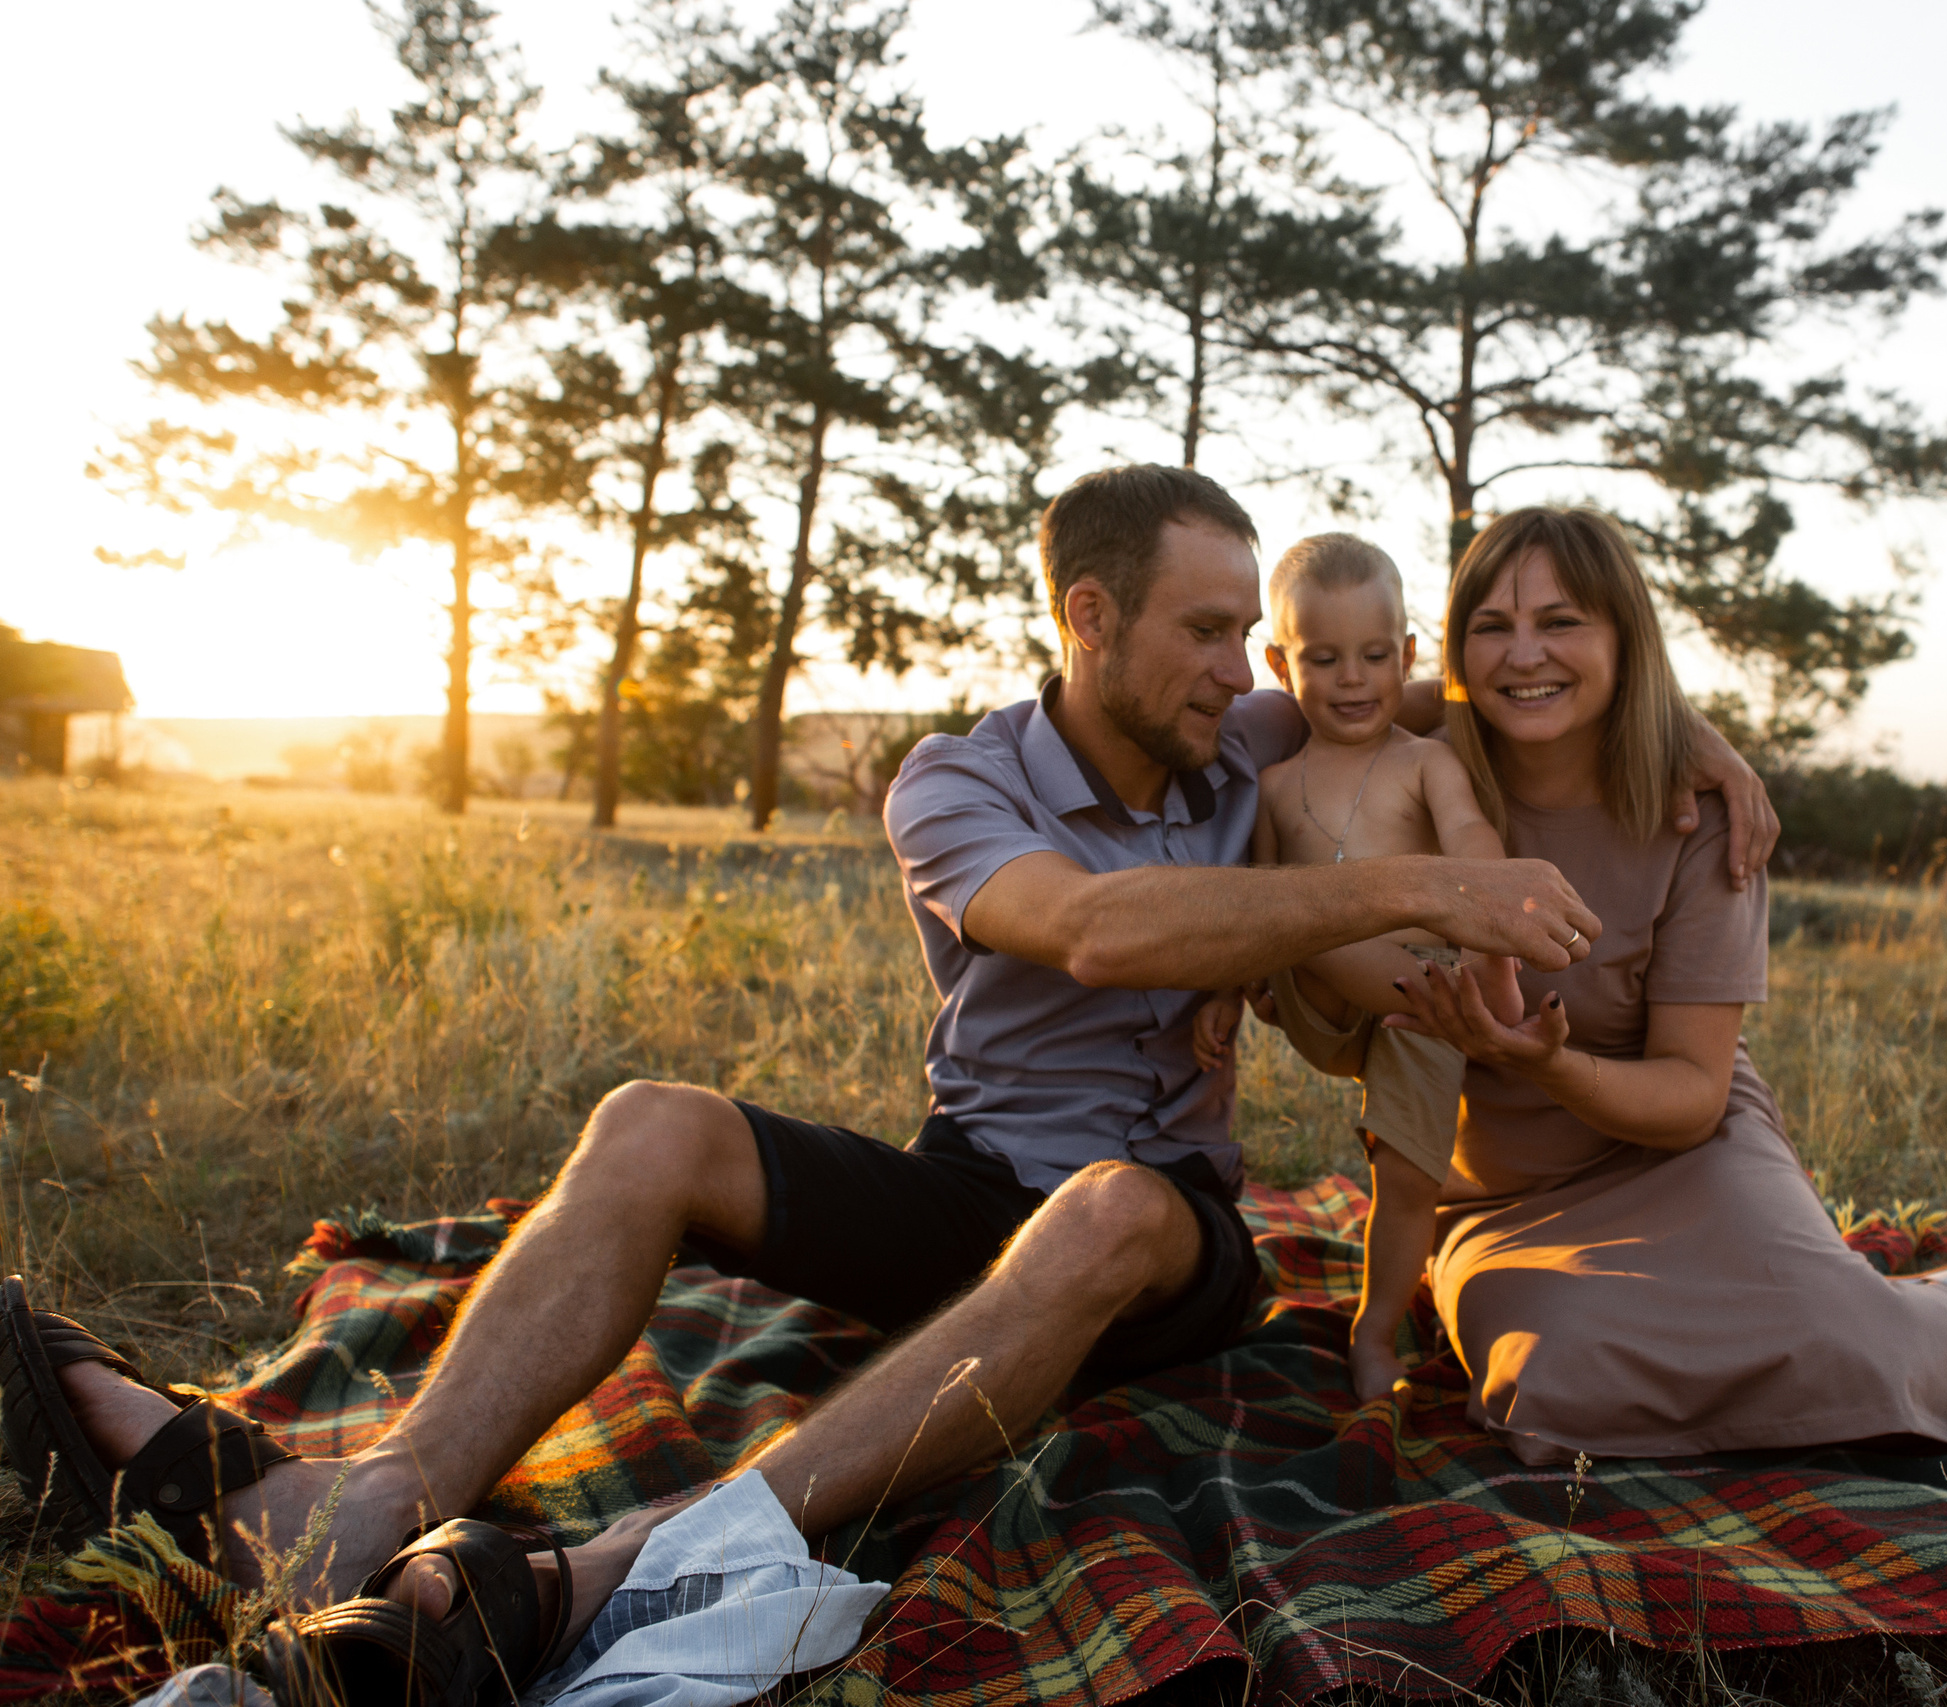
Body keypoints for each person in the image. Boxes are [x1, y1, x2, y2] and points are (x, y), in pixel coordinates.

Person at [0, 468, 1779, 1691]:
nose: (1247, 674)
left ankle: (625, 1572)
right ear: (1087, 617)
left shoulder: (1243, 730)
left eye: (1256, 639)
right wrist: (1409, 883)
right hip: (974, 1180)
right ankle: (372, 1505)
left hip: (1167, 1231)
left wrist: (1695, 733)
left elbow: (1491, 698)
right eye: (1207, 633)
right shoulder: (954, 781)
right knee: (653, 1121)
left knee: (1110, 1206)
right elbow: (1083, 931)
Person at [1383, 505, 1947, 1465]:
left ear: (1627, 637)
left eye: (1562, 620)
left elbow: (1691, 1096)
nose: (1523, 652)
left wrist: (1546, 1064)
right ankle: (1893, 1297)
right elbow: (1321, 701)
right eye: (1490, 626)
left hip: (1682, 1150)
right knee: (1557, 1390)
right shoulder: (1420, 777)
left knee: (1856, 1355)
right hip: (1504, 1196)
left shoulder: (1700, 816)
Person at [1192, 533, 1507, 1403]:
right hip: (1315, 1001)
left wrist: (1493, 905)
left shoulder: (1424, 760)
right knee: (1290, 911)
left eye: (1375, 656)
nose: (1354, 678)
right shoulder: (1276, 784)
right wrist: (1226, 986)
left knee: (1405, 1175)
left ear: (1407, 656)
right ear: (1280, 665)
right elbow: (1258, 899)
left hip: (1421, 1000)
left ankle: (1374, 1333)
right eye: (1324, 658)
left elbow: (1473, 838)